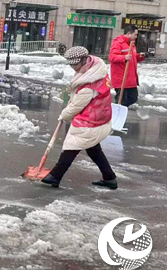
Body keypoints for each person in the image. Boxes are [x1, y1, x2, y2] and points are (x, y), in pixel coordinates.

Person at [41, 47, 118, 189]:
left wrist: (64, 115)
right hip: (99, 114)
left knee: (72, 145)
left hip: (91, 119)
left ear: (84, 60)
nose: (73, 68)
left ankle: (55, 176)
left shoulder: (89, 84)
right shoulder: (95, 69)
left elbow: (77, 105)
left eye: (74, 64)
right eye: (70, 64)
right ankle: (109, 177)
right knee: (93, 148)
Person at [109, 24, 145, 107]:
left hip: (130, 79)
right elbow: (112, 57)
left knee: (133, 98)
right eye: (135, 34)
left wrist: (139, 56)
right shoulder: (118, 43)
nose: (136, 37)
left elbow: (132, 58)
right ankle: (115, 115)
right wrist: (124, 57)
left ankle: (121, 110)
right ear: (129, 33)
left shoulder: (131, 44)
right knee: (121, 101)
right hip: (121, 78)